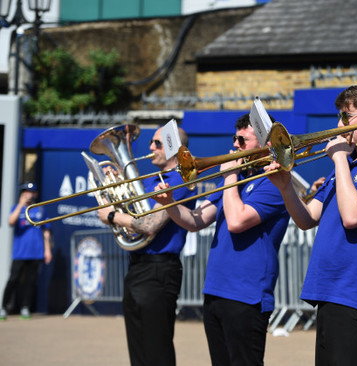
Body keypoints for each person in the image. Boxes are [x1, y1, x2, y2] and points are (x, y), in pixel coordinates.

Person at [266, 83, 357, 366]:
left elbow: (353, 215)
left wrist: (341, 159)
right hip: (328, 289)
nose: (338, 125)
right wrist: (285, 187)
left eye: (346, 117)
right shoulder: (344, 166)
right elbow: (308, 219)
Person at [153, 113, 290, 366]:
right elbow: (196, 220)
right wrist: (169, 203)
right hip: (215, 291)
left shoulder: (274, 183)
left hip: (247, 295)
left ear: (266, 144)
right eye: (234, 138)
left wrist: (228, 177)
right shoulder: (235, 181)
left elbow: (237, 221)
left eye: (242, 140)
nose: (235, 145)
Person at [97, 126, 196, 366]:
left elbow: (150, 224)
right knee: (138, 351)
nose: (150, 148)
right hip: (138, 268)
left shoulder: (180, 178)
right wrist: (115, 186)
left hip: (159, 271)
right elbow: (136, 216)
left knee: (156, 351)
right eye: (152, 143)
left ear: (174, 148)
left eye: (157, 144)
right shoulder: (150, 179)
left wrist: (112, 216)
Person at [0, 182, 52, 320]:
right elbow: (11, 222)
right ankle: (3, 308)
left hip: (36, 252)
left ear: (35, 194)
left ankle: (25, 308)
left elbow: (46, 231)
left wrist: (47, 250)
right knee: (13, 279)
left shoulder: (39, 210)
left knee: (31, 281)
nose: (27, 195)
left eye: (30, 192)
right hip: (20, 253)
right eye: (24, 192)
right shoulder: (16, 209)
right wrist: (20, 205)